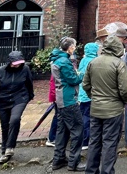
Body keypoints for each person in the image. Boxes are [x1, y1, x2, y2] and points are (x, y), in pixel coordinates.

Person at [82, 27, 127, 174]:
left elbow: (86, 85)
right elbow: (125, 89)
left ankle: (90, 171)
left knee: (94, 141)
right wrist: (124, 101)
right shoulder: (119, 63)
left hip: (95, 109)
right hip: (113, 110)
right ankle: (107, 171)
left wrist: (94, 97)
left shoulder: (93, 62)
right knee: (110, 143)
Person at [0, 50, 34, 165]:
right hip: (3, 101)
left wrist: (29, 96)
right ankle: (4, 150)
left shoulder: (25, 69)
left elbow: (29, 83)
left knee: (15, 120)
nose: (18, 65)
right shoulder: (0, 72)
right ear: (9, 62)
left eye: (19, 63)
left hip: (19, 99)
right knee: (5, 126)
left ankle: (10, 147)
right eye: (15, 63)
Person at [50, 37, 85, 172]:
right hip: (68, 99)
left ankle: (58, 159)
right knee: (77, 129)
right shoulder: (64, 62)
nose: (75, 48)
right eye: (74, 46)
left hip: (61, 99)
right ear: (70, 47)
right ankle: (73, 162)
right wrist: (81, 74)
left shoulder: (57, 59)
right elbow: (73, 79)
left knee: (62, 130)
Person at [77, 42, 99, 149]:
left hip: (82, 93)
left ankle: (82, 140)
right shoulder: (95, 61)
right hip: (92, 93)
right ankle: (87, 140)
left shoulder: (83, 60)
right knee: (90, 118)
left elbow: (80, 76)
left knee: (83, 117)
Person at [46, 74, 58, 147]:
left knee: (58, 117)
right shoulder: (57, 65)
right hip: (59, 97)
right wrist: (55, 97)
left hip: (58, 96)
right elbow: (53, 84)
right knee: (58, 117)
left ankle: (52, 137)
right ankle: (52, 138)